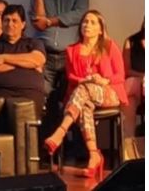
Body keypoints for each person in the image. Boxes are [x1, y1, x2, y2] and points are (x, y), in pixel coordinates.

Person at [44, 10, 127, 179]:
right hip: (83, 95)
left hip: (109, 92)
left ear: (101, 29)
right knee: (85, 106)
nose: (87, 25)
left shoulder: (109, 46)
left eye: (92, 22)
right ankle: (94, 154)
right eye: (85, 22)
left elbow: (120, 75)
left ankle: (61, 131)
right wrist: (83, 80)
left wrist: (104, 80)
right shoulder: (72, 50)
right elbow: (70, 76)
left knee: (84, 90)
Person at [31, 0, 89, 139]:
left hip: (69, 55)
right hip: (45, 54)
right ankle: (46, 143)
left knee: (72, 98)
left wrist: (51, 21)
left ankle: (73, 145)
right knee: (42, 96)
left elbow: (79, 14)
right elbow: (38, 22)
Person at [0, 5, 47, 116]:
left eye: (14, 21)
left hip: (30, 93)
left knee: (25, 112)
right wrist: (28, 64)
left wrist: (3, 58)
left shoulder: (33, 43)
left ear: (23, 24)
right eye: (6, 20)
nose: (10, 24)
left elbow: (38, 60)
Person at [122, 21, 144, 138]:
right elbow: (126, 70)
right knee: (129, 100)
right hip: (135, 87)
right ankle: (129, 142)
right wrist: (143, 76)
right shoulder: (131, 41)